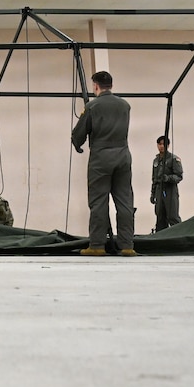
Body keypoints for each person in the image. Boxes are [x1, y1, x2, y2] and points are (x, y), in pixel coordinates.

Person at [71, 71, 136, 257]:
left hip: (101, 158)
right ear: (111, 85)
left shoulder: (92, 106)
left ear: (95, 86)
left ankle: (97, 245)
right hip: (123, 155)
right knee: (124, 201)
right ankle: (127, 246)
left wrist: (78, 145)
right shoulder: (125, 106)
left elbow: (78, 134)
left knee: (99, 201)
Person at [150, 135, 184, 232]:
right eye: (159, 144)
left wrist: (168, 178)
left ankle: (178, 235)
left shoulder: (173, 159)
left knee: (172, 216)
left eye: (163, 144)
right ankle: (161, 237)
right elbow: (154, 178)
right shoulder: (156, 161)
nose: (161, 146)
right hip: (159, 190)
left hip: (170, 190)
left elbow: (179, 176)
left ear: (168, 145)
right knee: (160, 216)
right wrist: (153, 194)